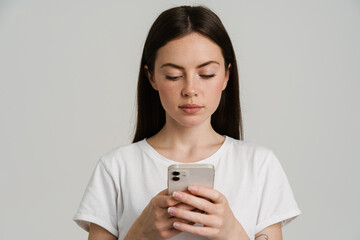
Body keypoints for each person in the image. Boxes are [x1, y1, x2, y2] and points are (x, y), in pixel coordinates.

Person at [73, 5, 301, 240]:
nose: (190, 90)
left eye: (207, 74)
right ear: (151, 77)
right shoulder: (116, 168)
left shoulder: (260, 165)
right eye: (174, 76)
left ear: (226, 76)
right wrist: (140, 233)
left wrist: (233, 233)